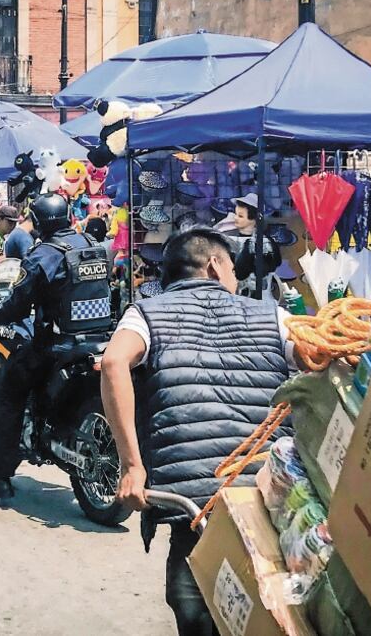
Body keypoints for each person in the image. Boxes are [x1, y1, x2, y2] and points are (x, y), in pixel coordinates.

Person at [100, 227, 296, 635]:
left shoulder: (146, 312)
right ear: (214, 265)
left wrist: (131, 467)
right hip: (267, 491)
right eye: (232, 268)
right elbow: (321, 359)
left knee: (196, 604)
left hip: (194, 502)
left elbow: (113, 362)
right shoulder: (271, 314)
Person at [0, 193, 112, 505]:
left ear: (40, 222)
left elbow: (18, 304)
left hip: (57, 346)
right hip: (100, 338)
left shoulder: (44, 254)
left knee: (8, 394)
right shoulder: (92, 243)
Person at [219, 193, 282, 299]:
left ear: (253, 219)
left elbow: (242, 273)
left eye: (240, 216)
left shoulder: (264, 243)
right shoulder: (228, 238)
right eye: (236, 214)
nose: (235, 218)